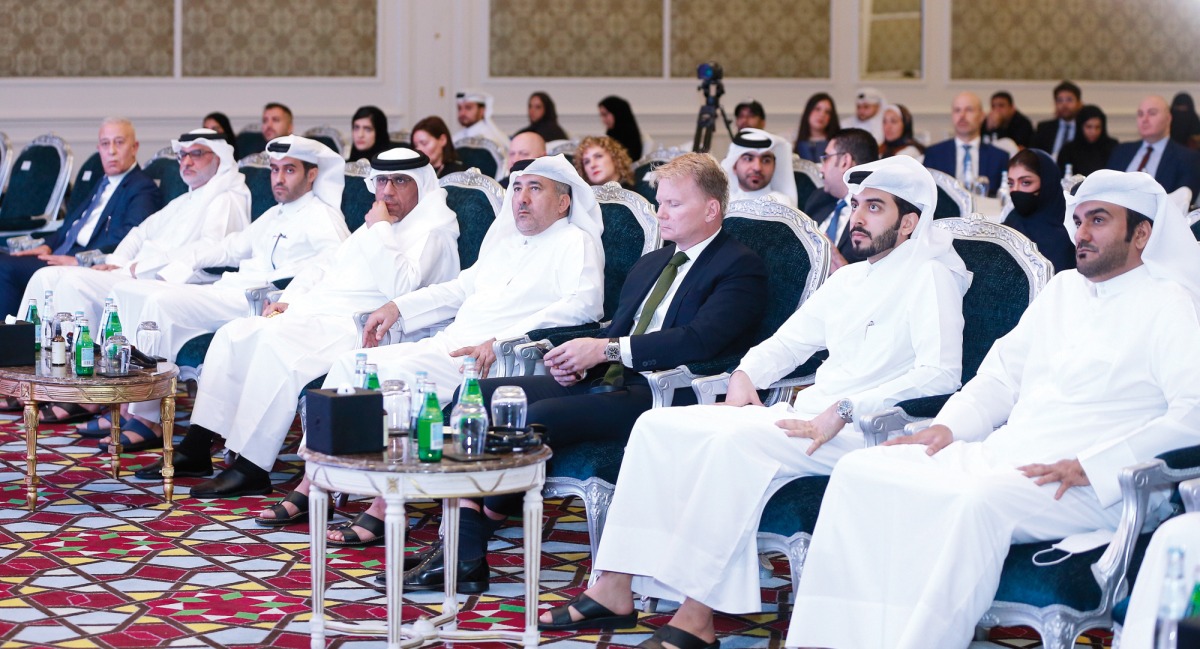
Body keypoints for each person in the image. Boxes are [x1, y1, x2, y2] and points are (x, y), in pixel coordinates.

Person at [537, 155, 971, 648]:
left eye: (875, 207)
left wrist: (850, 407)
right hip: (807, 418)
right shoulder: (851, 279)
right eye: (855, 206)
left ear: (910, 222)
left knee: (734, 447)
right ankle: (614, 584)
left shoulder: (931, 277)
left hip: (868, 430)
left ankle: (696, 618)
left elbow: (941, 373)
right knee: (659, 427)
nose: (858, 218)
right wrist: (746, 375)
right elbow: (788, 343)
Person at [788, 169, 1200, 649]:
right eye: (1080, 219)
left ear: (1142, 233)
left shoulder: (1169, 303)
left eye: (1099, 220)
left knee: (978, 500)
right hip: (1011, 453)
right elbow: (1000, 377)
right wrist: (946, 428)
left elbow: (1192, 412)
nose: (1081, 233)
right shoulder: (1064, 290)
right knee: (864, 470)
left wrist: (1093, 465)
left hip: (1091, 480)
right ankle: (834, 639)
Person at [403, 152, 769, 593]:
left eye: (673, 204)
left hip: (664, 392)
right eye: (660, 201)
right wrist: (574, 357)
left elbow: (699, 341)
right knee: (476, 396)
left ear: (711, 209)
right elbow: (612, 328)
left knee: (538, 417)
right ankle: (464, 546)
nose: (660, 212)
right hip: (607, 380)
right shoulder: (654, 262)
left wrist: (606, 350)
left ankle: (467, 547)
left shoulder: (738, 265)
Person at [270, 154, 605, 547]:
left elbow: (584, 306)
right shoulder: (507, 241)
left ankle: (383, 505)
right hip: (450, 345)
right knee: (351, 363)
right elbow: (460, 289)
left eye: (535, 188)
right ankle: (317, 482)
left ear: (564, 201)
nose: (522, 199)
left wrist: (501, 341)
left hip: (497, 360)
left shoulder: (574, 242)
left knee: (401, 381)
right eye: (517, 188)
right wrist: (398, 307)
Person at [145, 148, 461, 498]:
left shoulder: (433, 231)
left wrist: (381, 229)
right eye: (382, 180)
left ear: (420, 185)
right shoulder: (379, 223)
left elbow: (401, 288)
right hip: (317, 312)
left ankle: (252, 465)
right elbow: (325, 266)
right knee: (235, 333)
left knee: (277, 347)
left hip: (356, 327)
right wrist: (290, 300)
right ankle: (198, 444)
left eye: (400, 181)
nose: (387, 192)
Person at [109, 136, 350, 451]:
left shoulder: (323, 218)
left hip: (262, 301)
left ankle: (146, 418)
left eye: (289, 170)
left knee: (159, 302)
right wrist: (186, 261)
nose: (278, 179)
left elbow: (333, 268)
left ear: (313, 174)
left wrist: (290, 299)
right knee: (145, 293)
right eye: (275, 170)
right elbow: (231, 247)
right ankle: (136, 407)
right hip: (231, 291)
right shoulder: (278, 212)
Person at [21, 129, 251, 350]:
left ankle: (78, 367)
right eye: (183, 155)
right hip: (131, 272)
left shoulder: (226, 198)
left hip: (164, 280)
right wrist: (118, 260)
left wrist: (136, 268)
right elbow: (140, 232)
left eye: (197, 154)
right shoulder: (184, 199)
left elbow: (208, 250)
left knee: (74, 283)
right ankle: (26, 353)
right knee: (46, 276)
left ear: (219, 158)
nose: (187, 162)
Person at [0, 118, 162, 319]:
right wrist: (47, 246)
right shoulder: (102, 182)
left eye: (119, 142)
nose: (111, 151)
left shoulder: (142, 187)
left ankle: (9, 341)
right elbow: (70, 227)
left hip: (84, 262)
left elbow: (128, 238)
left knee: (5, 267)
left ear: (134, 147)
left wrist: (79, 259)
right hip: (61, 253)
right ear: (98, 149)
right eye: (105, 144)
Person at [804, 128, 879, 270]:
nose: (821, 169)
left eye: (826, 159)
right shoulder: (818, 199)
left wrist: (842, 273)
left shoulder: (877, 213)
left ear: (845, 161)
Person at [1106, 95, 1200, 198]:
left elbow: (1183, 201)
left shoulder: (1187, 158)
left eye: (1152, 113)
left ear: (1168, 118)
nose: (1144, 119)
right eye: (1140, 114)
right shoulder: (1121, 151)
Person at [1002, 149, 1076, 273]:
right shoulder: (1012, 221)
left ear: (1047, 182)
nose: (1016, 190)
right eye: (1011, 184)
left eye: (1026, 182)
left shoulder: (1071, 229)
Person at [923, 91, 1009, 195]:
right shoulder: (935, 154)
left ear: (982, 116)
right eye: (957, 110)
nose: (962, 115)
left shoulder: (999, 157)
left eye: (969, 110)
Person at [720, 128, 797, 207]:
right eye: (749, 159)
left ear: (774, 167)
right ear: (734, 165)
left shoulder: (782, 204)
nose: (757, 168)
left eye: (766, 160)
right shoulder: (721, 203)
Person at [1056, 104, 1118, 177]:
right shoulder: (1068, 150)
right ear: (1080, 126)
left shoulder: (1112, 147)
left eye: (1097, 127)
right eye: (1089, 127)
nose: (1093, 132)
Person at [1032, 80, 1083, 157]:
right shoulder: (1044, 128)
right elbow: (1034, 156)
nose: (1064, 105)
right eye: (1060, 100)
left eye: (1069, 100)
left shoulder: (1085, 129)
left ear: (1079, 103)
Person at [794, 92, 840, 163]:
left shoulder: (838, 144)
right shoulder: (791, 141)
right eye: (817, 109)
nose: (822, 115)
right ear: (808, 111)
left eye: (827, 112)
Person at [599, 95, 643, 161]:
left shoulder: (629, 133)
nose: (603, 120)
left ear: (616, 113)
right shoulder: (612, 131)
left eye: (605, 115)